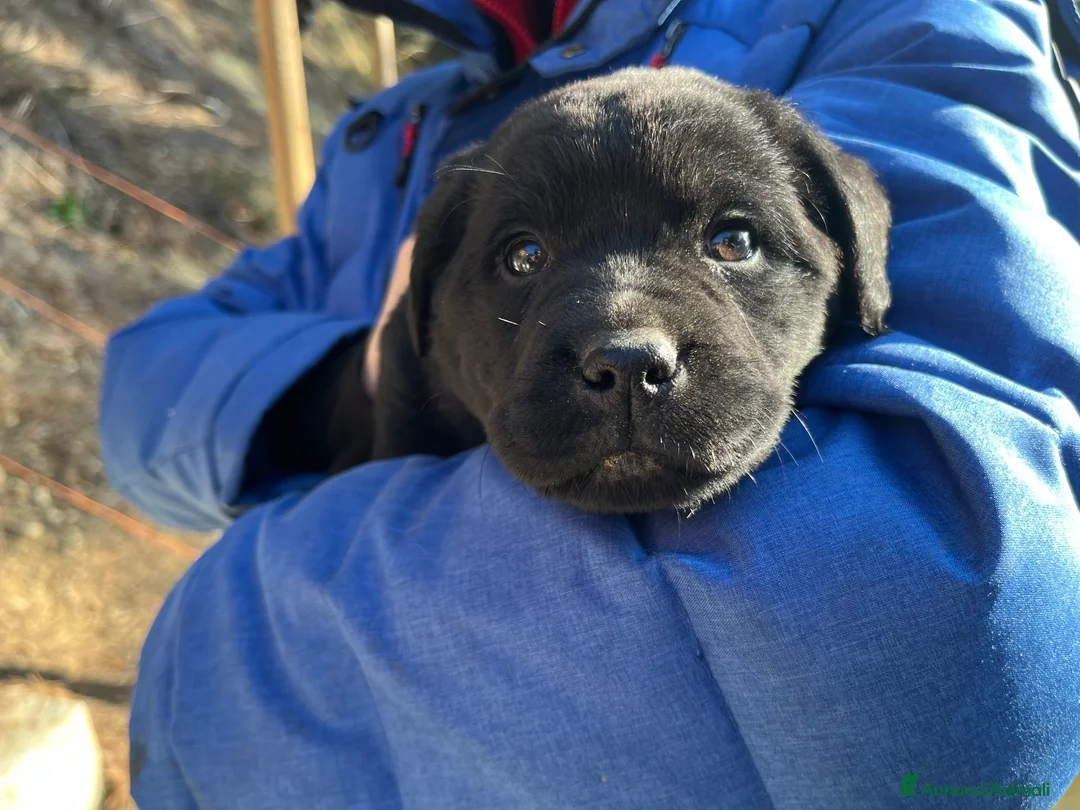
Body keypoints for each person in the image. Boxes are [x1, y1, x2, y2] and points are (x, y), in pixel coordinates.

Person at [100, 0, 1080, 806]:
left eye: (732, 242)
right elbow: (143, 376)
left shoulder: (885, 16)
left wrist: (206, 648)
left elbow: (954, 592)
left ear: (855, 258)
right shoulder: (386, 130)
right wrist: (364, 369)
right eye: (523, 256)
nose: (625, 343)